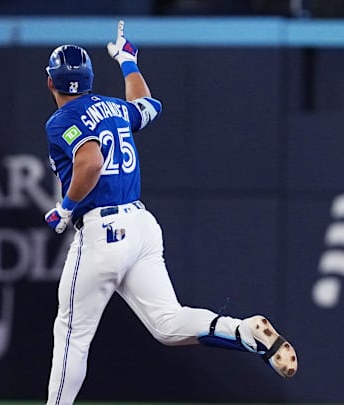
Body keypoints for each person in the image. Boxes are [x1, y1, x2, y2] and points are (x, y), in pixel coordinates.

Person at [42, 21, 297, 404]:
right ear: (90, 79)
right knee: (167, 324)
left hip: (102, 231)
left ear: (51, 83)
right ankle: (242, 331)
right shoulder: (113, 107)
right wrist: (129, 63)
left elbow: (90, 163)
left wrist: (65, 208)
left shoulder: (60, 120)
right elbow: (147, 106)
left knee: (72, 334)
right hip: (141, 226)